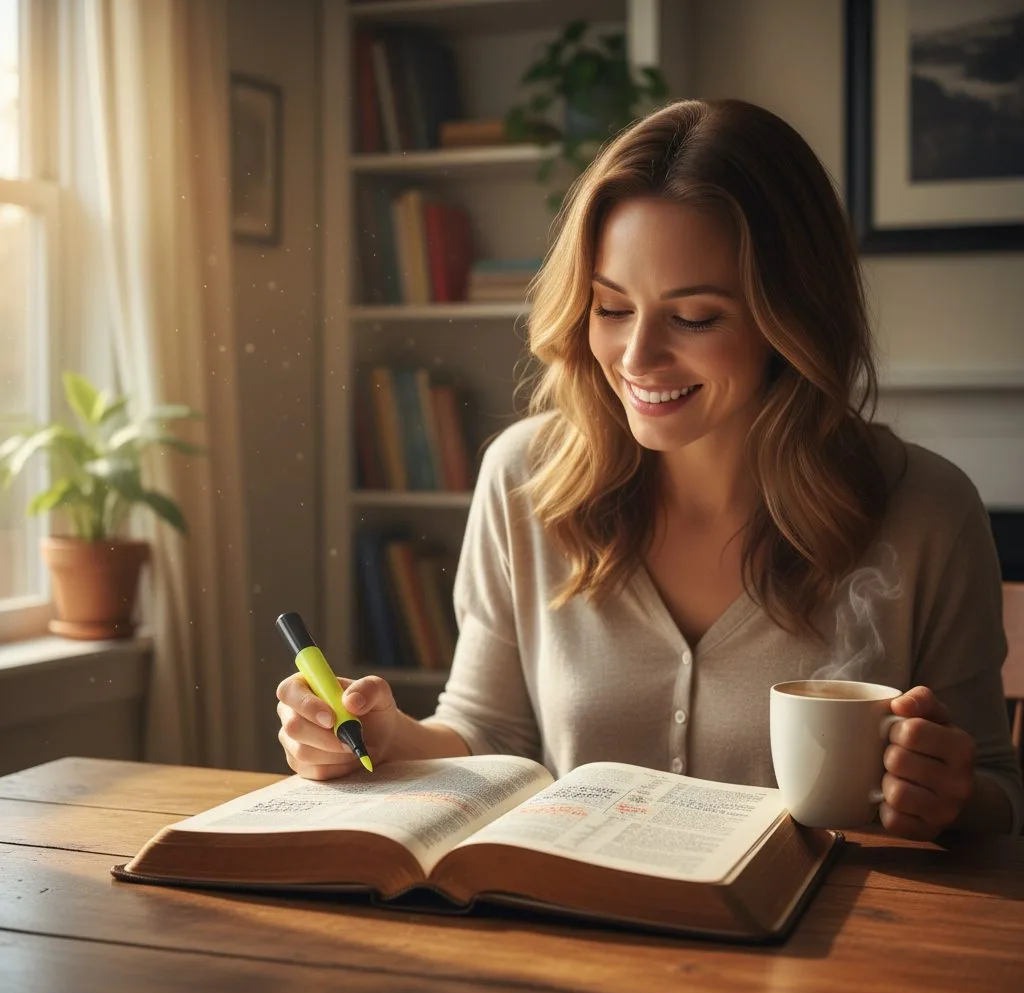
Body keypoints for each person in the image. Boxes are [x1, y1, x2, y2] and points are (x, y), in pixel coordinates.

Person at [277, 98, 1023, 839]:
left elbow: (995, 788)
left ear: (790, 319)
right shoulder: (523, 480)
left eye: (694, 317)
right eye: (610, 307)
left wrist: (948, 793)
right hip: (573, 941)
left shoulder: (925, 509)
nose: (636, 359)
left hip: (821, 950)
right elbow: (486, 730)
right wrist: (383, 737)